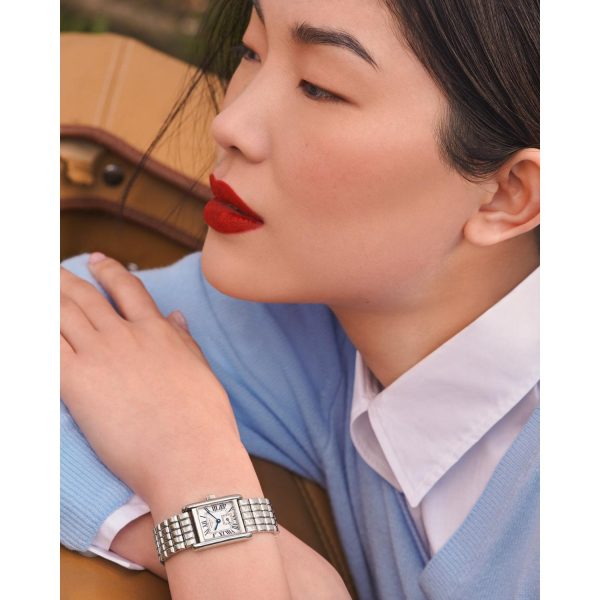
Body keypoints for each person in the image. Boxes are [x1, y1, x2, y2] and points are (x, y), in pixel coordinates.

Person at [60, 0, 540, 598]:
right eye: (251, 51)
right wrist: (203, 501)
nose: (230, 123)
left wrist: (219, 543)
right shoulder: (307, 320)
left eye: (319, 88)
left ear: (507, 195)